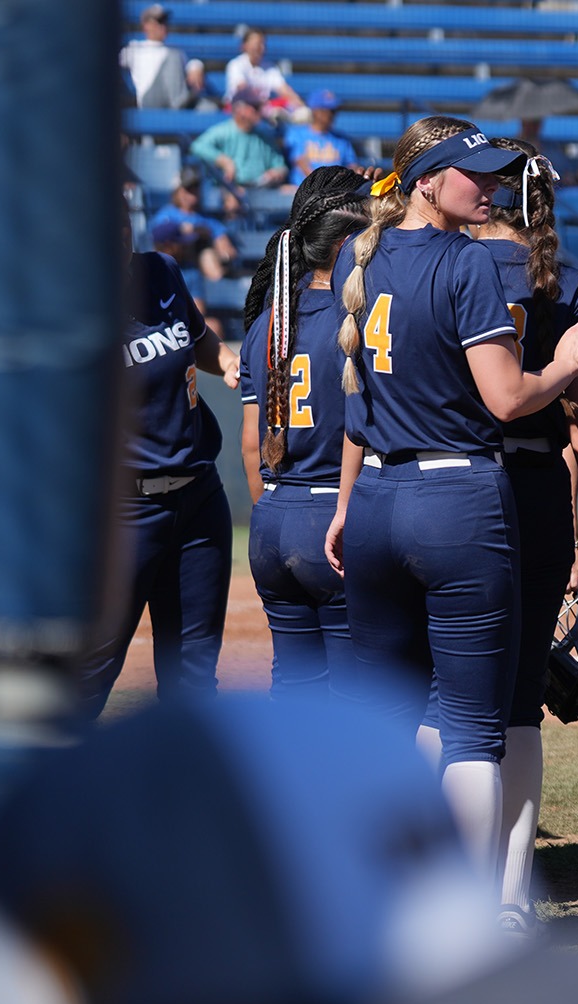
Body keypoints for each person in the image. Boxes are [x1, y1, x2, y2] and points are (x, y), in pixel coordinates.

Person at [324, 116, 578, 891]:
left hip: (378, 494)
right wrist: (569, 362)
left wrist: (347, 503)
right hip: (458, 501)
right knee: (477, 733)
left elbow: (359, 400)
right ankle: (471, 916)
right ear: (426, 181)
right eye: (472, 174)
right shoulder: (467, 262)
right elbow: (510, 398)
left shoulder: (364, 254)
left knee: (389, 721)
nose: (488, 188)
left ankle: (379, 897)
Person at [476, 138, 578, 937]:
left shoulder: (440, 258)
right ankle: (510, 890)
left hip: (446, 482)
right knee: (520, 703)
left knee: (446, 695)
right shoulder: (567, 283)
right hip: (530, 491)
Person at [81, 206, 241, 716]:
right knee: (93, 666)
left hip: (199, 498)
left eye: (123, 218)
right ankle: (58, 788)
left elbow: (198, 343)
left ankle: (186, 789)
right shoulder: (71, 307)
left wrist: (232, 363)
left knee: (194, 671)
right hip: (127, 511)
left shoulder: (160, 271)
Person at [236, 167, 372, 703]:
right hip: (333, 521)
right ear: (345, 244)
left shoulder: (267, 322)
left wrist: (277, 516)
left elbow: (251, 444)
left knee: (295, 695)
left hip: (271, 520)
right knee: (353, 700)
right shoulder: (356, 320)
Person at [147, 172, 238, 308]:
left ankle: (220, 292)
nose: (191, 193)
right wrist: (187, 231)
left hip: (197, 268)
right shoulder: (165, 215)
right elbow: (159, 240)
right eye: (187, 189)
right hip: (173, 267)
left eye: (195, 188)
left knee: (207, 254)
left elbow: (227, 249)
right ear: (177, 191)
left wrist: (221, 252)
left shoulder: (207, 220)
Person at [191, 87, 290, 190]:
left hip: (259, 191)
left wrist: (276, 172)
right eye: (255, 107)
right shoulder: (224, 131)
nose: (260, 111)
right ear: (239, 109)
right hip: (230, 191)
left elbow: (280, 165)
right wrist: (224, 161)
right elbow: (197, 146)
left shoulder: (263, 136)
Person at [119, 3, 204, 110]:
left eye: (165, 21)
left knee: (207, 108)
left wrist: (196, 66)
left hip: (174, 97)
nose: (163, 26)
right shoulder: (135, 48)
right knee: (173, 56)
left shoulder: (174, 49)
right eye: (159, 21)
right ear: (146, 25)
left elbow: (190, 66)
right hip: (149, 101)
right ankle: (179, 105)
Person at [286, 90, 359, 186]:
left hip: (335, 191)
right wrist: (321, 185)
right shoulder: (297, 134)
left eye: (334, 111)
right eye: (330, 111)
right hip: (304, 192)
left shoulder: (342, 139)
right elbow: (301, 163)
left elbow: (352, 166)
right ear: (316, 112)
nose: (333, 115)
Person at [224, 28, 299, 121]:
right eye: (257, 44)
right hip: (239, 111)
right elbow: (243, 90)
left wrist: (300, 105)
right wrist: (264, 105)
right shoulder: (236, 64)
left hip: (263, 109)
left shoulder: (270, 67)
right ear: (245, 46)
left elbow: (284, 90)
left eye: (263, 44)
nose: (261, 47)